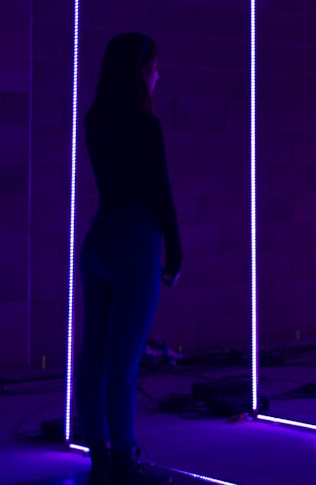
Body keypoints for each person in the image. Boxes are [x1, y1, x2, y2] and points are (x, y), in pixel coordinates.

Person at [76, 32, 183, 485]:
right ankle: (125, 457)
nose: (158, 74)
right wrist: (175, 247)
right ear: (139, 70)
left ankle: (100, 453)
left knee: (92, 355)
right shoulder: (145, 126)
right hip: (137, 240)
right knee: (124, 362)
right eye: (154, 65)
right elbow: (159, 189)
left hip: (100, 236)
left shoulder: (95, 118)